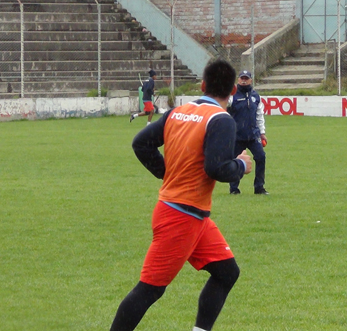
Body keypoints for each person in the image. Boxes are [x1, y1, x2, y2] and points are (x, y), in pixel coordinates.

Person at [111, 60, 253, 331]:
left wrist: (167, 172)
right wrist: (241, 166)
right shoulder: (221, 119)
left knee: (226, 273)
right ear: (233, 90)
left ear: (202, 85)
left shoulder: (177, 112)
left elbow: (141, 143)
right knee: (149, 289)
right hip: (181, 216)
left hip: (192, 216)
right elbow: (217, 168)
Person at [227, 70, 269, 195]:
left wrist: (262, 132)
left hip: (253, 135)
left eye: (246, 78)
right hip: (237, 135)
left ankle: (259, 187)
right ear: (238, 80)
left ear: (251, 80)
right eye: (242, 78)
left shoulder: (256, 96)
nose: (244, 80)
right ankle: (234, 188)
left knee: (261, 157)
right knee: (235, 161)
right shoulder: (231, 96)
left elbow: (259, 115)